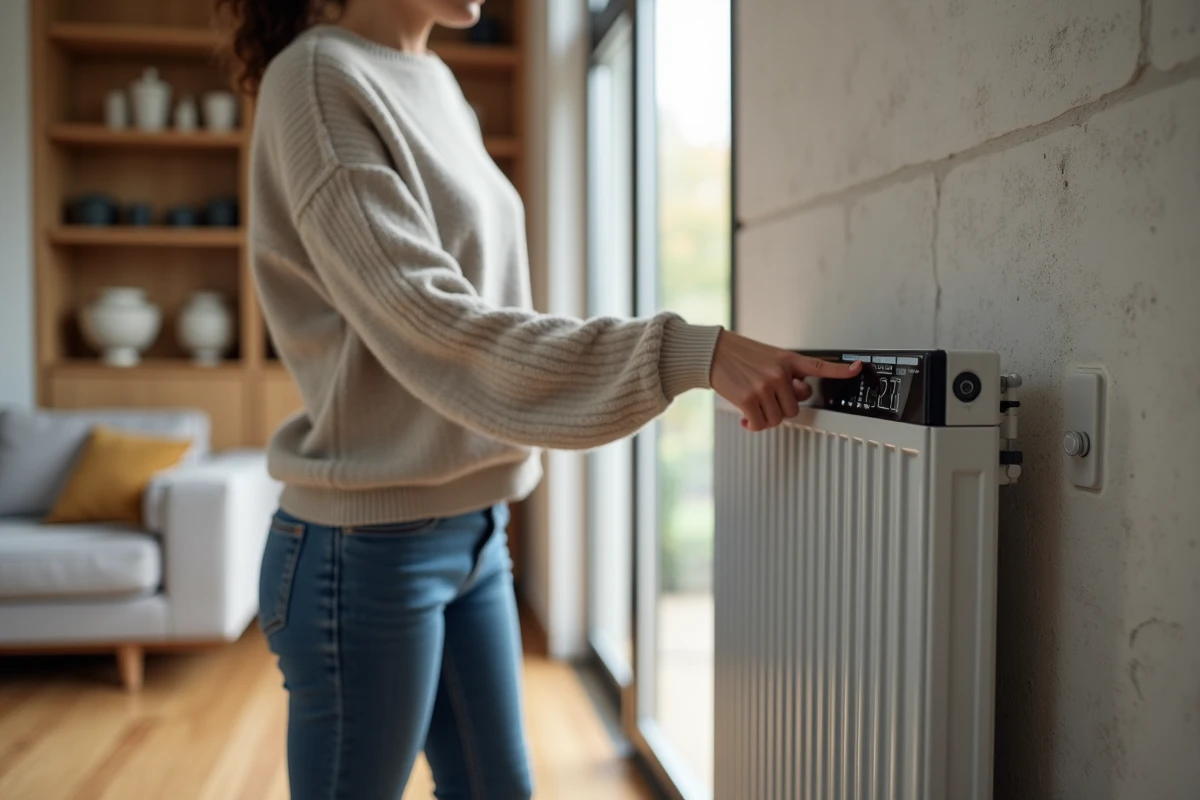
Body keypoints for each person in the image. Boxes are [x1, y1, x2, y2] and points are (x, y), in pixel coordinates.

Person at [219, 0, 861, 797]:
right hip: (366, 550)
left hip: (477, 530)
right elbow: (436, 325)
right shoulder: (315, 80)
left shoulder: (435, 82)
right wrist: (687, 353)